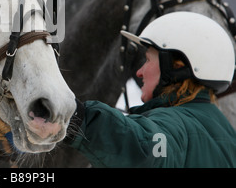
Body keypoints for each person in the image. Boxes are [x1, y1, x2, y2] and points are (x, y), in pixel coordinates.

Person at [65, 11, 236, 167]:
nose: (139, 72)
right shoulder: (228, 135)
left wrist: (77, 118)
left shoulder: (176, 124)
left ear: (176, 67)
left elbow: (143, 149)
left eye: (147, 60)